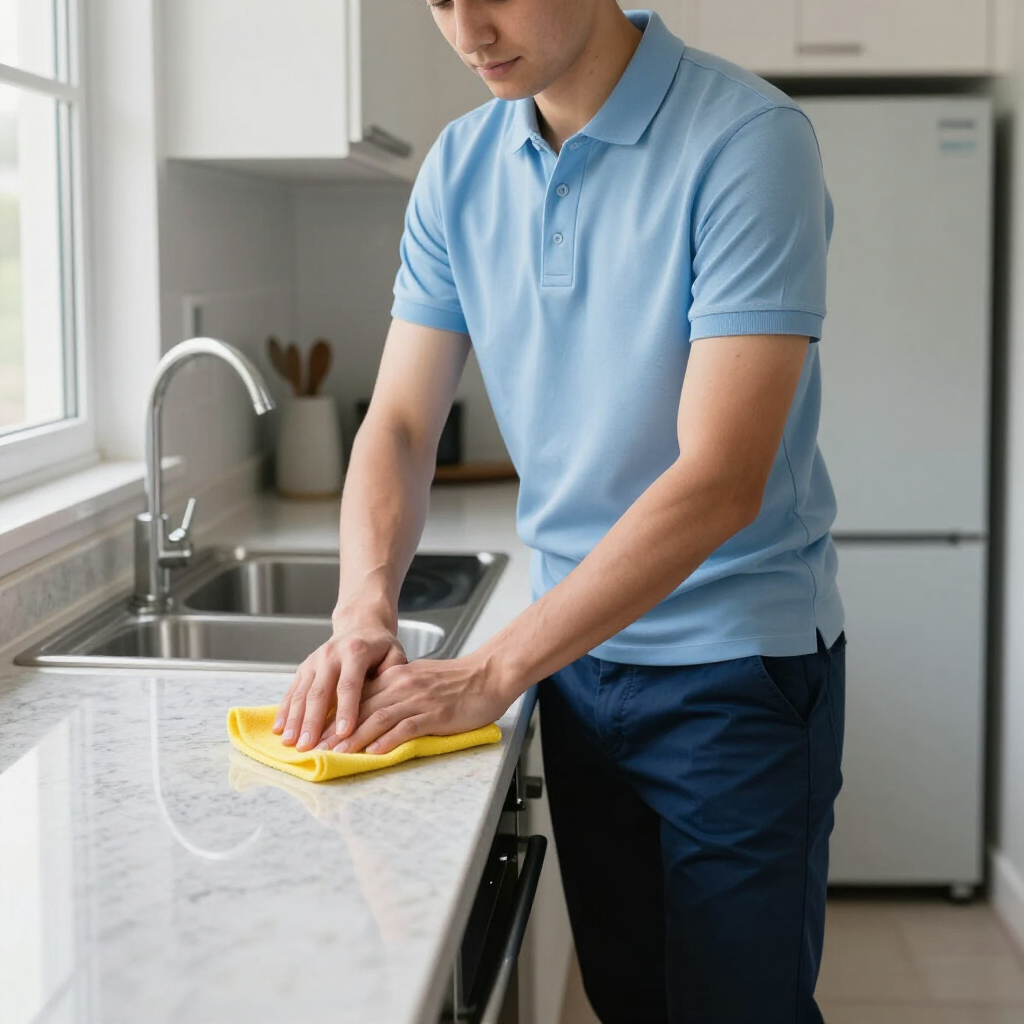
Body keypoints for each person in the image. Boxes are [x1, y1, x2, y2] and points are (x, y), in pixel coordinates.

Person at [273, 2, 846, 1021]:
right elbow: (400, 422)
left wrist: (495, 668)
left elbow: (721, 475)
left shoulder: (747, 141)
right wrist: (362, 608)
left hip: (732, 671)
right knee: (628, 997)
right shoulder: (459, 166)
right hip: (577, 665)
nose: (466, 31)